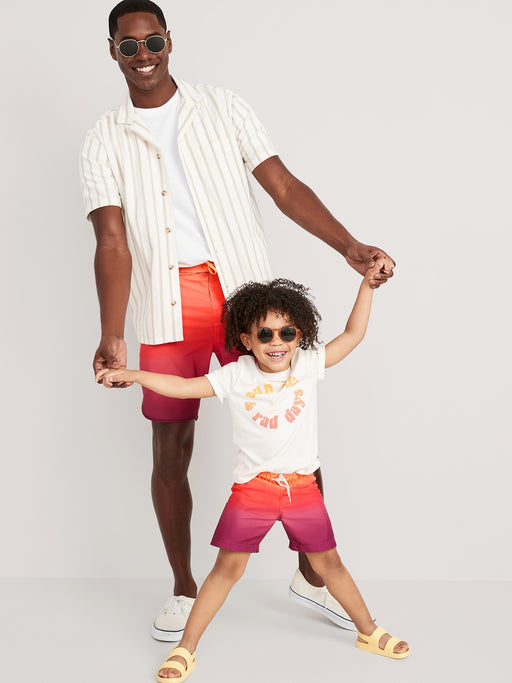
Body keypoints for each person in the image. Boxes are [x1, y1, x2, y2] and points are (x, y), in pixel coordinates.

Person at [80, 0, 396, 642]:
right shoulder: (103, 139)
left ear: (170, 41)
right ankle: (182, 587)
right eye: (128, 46)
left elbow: (284, 187)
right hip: (167, 304)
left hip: (244, 303)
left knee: (294, 438)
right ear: (112, 52)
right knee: (171, 447)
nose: (143, 56)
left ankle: (312, 575)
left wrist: (348, 246)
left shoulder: (223, 107)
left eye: (152, 41)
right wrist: (112, 333)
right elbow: (112, 242)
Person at [97, 264, 409, 681]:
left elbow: (352, 335)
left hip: (302, 490)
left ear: (300, 336)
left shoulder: (306, 365)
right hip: (253, 492)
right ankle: (185, 649)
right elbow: (183, 387)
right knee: (227, 570)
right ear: (246, 340)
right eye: (265, 334)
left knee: (331, 565)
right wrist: (132, 375)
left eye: (287, 333)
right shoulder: (236, 375)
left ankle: (368, 631)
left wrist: (366, 287)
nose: (277, 343)